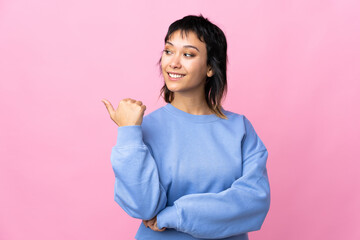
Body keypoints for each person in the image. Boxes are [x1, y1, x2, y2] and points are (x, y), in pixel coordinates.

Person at [102, 14, 270, 240]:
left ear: (211, 67)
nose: (173, 62)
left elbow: (253, 201)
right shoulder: (144, 127)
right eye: (168, 51)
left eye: (188, 54)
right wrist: (128, 133)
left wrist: (174, 215)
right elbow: (143, 207)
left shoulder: (240, 129)